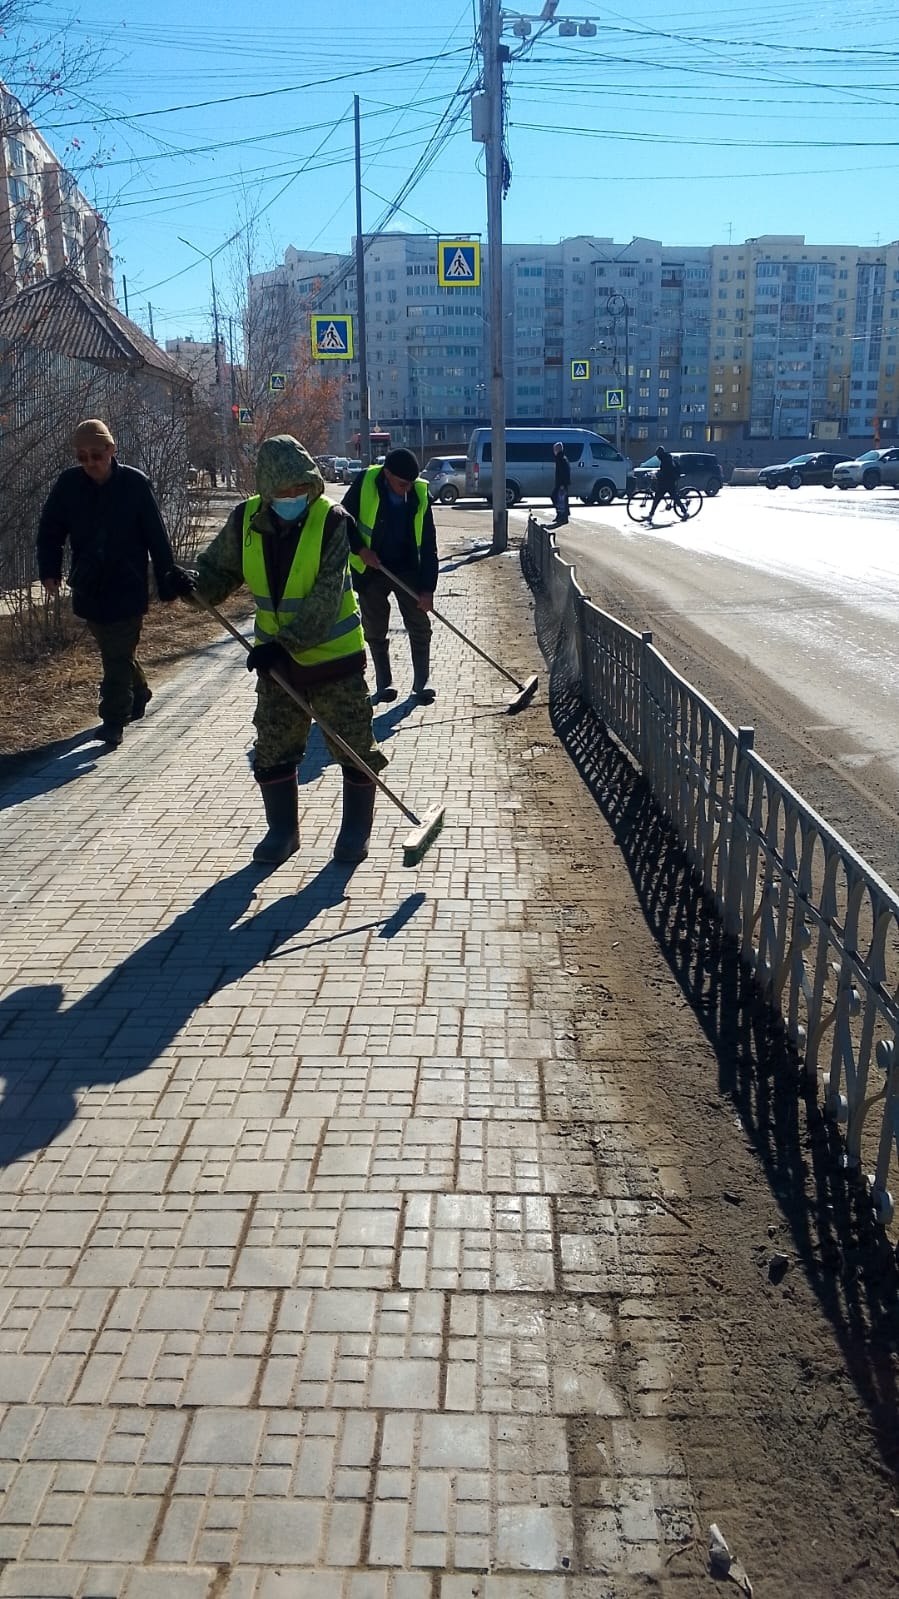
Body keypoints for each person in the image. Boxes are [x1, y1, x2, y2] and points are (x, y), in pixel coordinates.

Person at [179, 434, 387, 867]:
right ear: (266, 488)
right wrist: (187, 586)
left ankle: (355, 832)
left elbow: (325, 598)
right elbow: (217, 574)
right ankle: (283, 831)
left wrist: (282, 647)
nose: (293, 497)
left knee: (353, 745)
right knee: (273, 744)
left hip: (334, 659)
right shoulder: (247, 519)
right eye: (284, 490)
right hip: (277, 665)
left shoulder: (332, 521)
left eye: (301, 488)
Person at [37, 418, 183, 748]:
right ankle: (139, 690)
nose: (90, 463)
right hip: (89, 585)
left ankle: (114, 720)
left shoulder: (135, 484)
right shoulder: (69, 485)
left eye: (96, 455)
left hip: (127, 585)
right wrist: (49, 570)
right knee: (114, 650)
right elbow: (50, 530)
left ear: (111, 449)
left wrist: (167, 582)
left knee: (116, 655)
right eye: (82, 457)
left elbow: (157, 537)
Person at [341, 447, 439, 706]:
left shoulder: (419, 494)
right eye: (402, 484)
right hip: (372, 570)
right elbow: (342, 520)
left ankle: (422, 682)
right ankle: (384, 683)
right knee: (375, 628)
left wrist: (428, 590)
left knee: (419, 624)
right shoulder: (365, 482)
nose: (407, 489)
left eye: (410, 484)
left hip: (407, 568)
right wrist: (361, 550)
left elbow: (429, 544)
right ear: (387, 474)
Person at [646, 445, 680, 525]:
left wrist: (657, 475)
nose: (657, 457)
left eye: (657, 455)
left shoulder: (666, 460)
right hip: (666, 482)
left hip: (669, 482)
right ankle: (650, 515)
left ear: (660, 454)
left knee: (660, 498)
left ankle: (685, 512)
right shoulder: (665, 459)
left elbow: (666, 471)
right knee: (668, 497)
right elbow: (663, 470)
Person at [548, 441, 570, 527]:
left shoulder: (560, 458)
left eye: (554, 449)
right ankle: (561, 515)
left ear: (557, 449)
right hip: (562, 483)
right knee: (561, 499)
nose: (553, 451)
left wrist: (562, 484)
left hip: (561, 483)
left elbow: (563, 473)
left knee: (559, 499)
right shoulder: (563, 457)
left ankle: (562, 516)